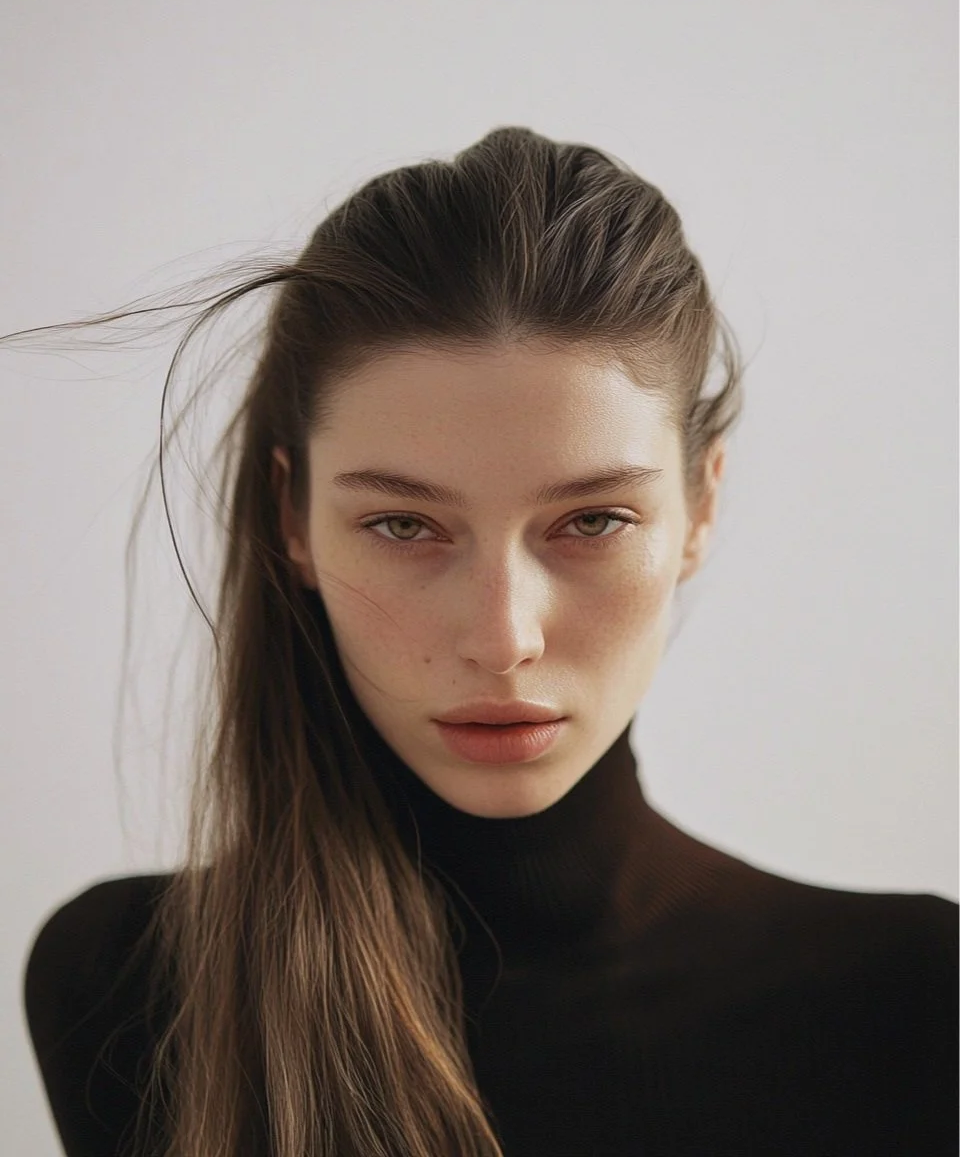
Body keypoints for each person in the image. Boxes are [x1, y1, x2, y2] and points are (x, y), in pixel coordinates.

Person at [20, 127, 958, 1157]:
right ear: (293, 519)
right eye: (404, 525)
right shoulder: (128, 989)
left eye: (593, 521)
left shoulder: (913, 1001)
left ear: (700, 507)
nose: (503, 638)